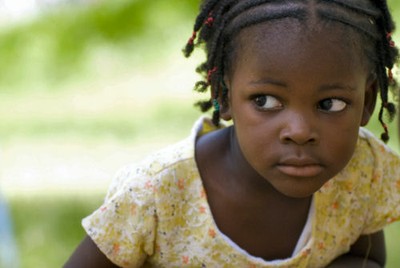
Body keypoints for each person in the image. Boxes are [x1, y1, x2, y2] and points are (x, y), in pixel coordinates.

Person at [64, 0, 400, 267]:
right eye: (265, 101)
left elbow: (366, 258)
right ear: (222, 95)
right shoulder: (156, 194)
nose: (299, 132)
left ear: (367, 102)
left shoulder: (363, 172)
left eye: (330, 103)